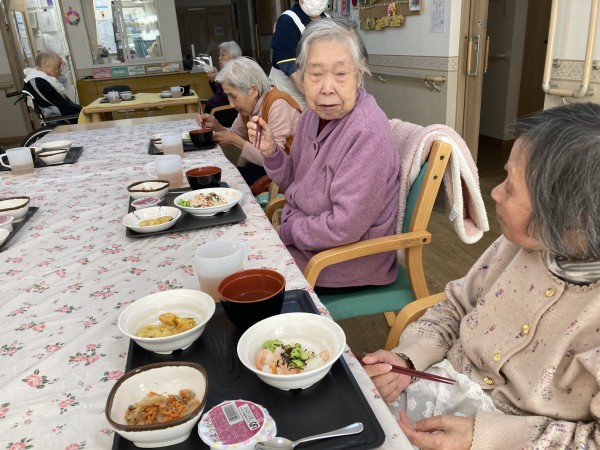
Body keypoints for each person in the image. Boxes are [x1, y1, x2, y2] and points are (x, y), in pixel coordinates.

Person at [363, 102, 600, 449]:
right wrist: (408, 359)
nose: (495, 192)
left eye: (511, 188)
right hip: (440, 384)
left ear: (572, 218)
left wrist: (482, 436)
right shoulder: (512, 246)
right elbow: (454, 308)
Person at [248, 18, 399, 290]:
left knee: (250, 281)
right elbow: (294, 181)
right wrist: (271, 152)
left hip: (344, 260)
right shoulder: (310, 117)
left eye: (340, 74)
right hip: (310, 243)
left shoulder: (367, 131)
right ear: (301, 75)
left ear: (360, 74)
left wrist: (286, 231)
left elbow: (344, 227)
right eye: (315, 74)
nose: (327, 87)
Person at [196, 57, 301, 191]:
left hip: (288, 174)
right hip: (261, 167)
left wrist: (236, 140)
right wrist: (216, 126)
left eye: (233, 96)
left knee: (231, 188)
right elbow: (233, 135)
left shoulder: (278, 104)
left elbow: (274, 160)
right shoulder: (249, 107)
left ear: (253, 90)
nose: (231, 104)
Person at [270, 0, 329, 110]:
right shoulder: (287, 20)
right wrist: (319, 97)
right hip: (289, 96)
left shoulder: (329, 21)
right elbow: (290, 68)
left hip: (317, 91)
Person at [23, 50, 81, 121]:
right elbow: (54, 105)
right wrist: (79, 109)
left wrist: (79, 108)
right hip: (60, 119)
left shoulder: (44, 79)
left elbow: (63, 102)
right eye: (57, 66)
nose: (59, 70)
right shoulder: (36, 80)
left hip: (67, 115)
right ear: (44, 62)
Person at [204, 41, 242, 127]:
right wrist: (214, 80)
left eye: (223, 55)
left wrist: (217, 79)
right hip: (217, 113)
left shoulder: (236, 73)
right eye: (219, 55)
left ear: (233, 56)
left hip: (227, 114)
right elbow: (218, 93)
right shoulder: (225, 72)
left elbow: (228, 96)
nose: (219, 58)